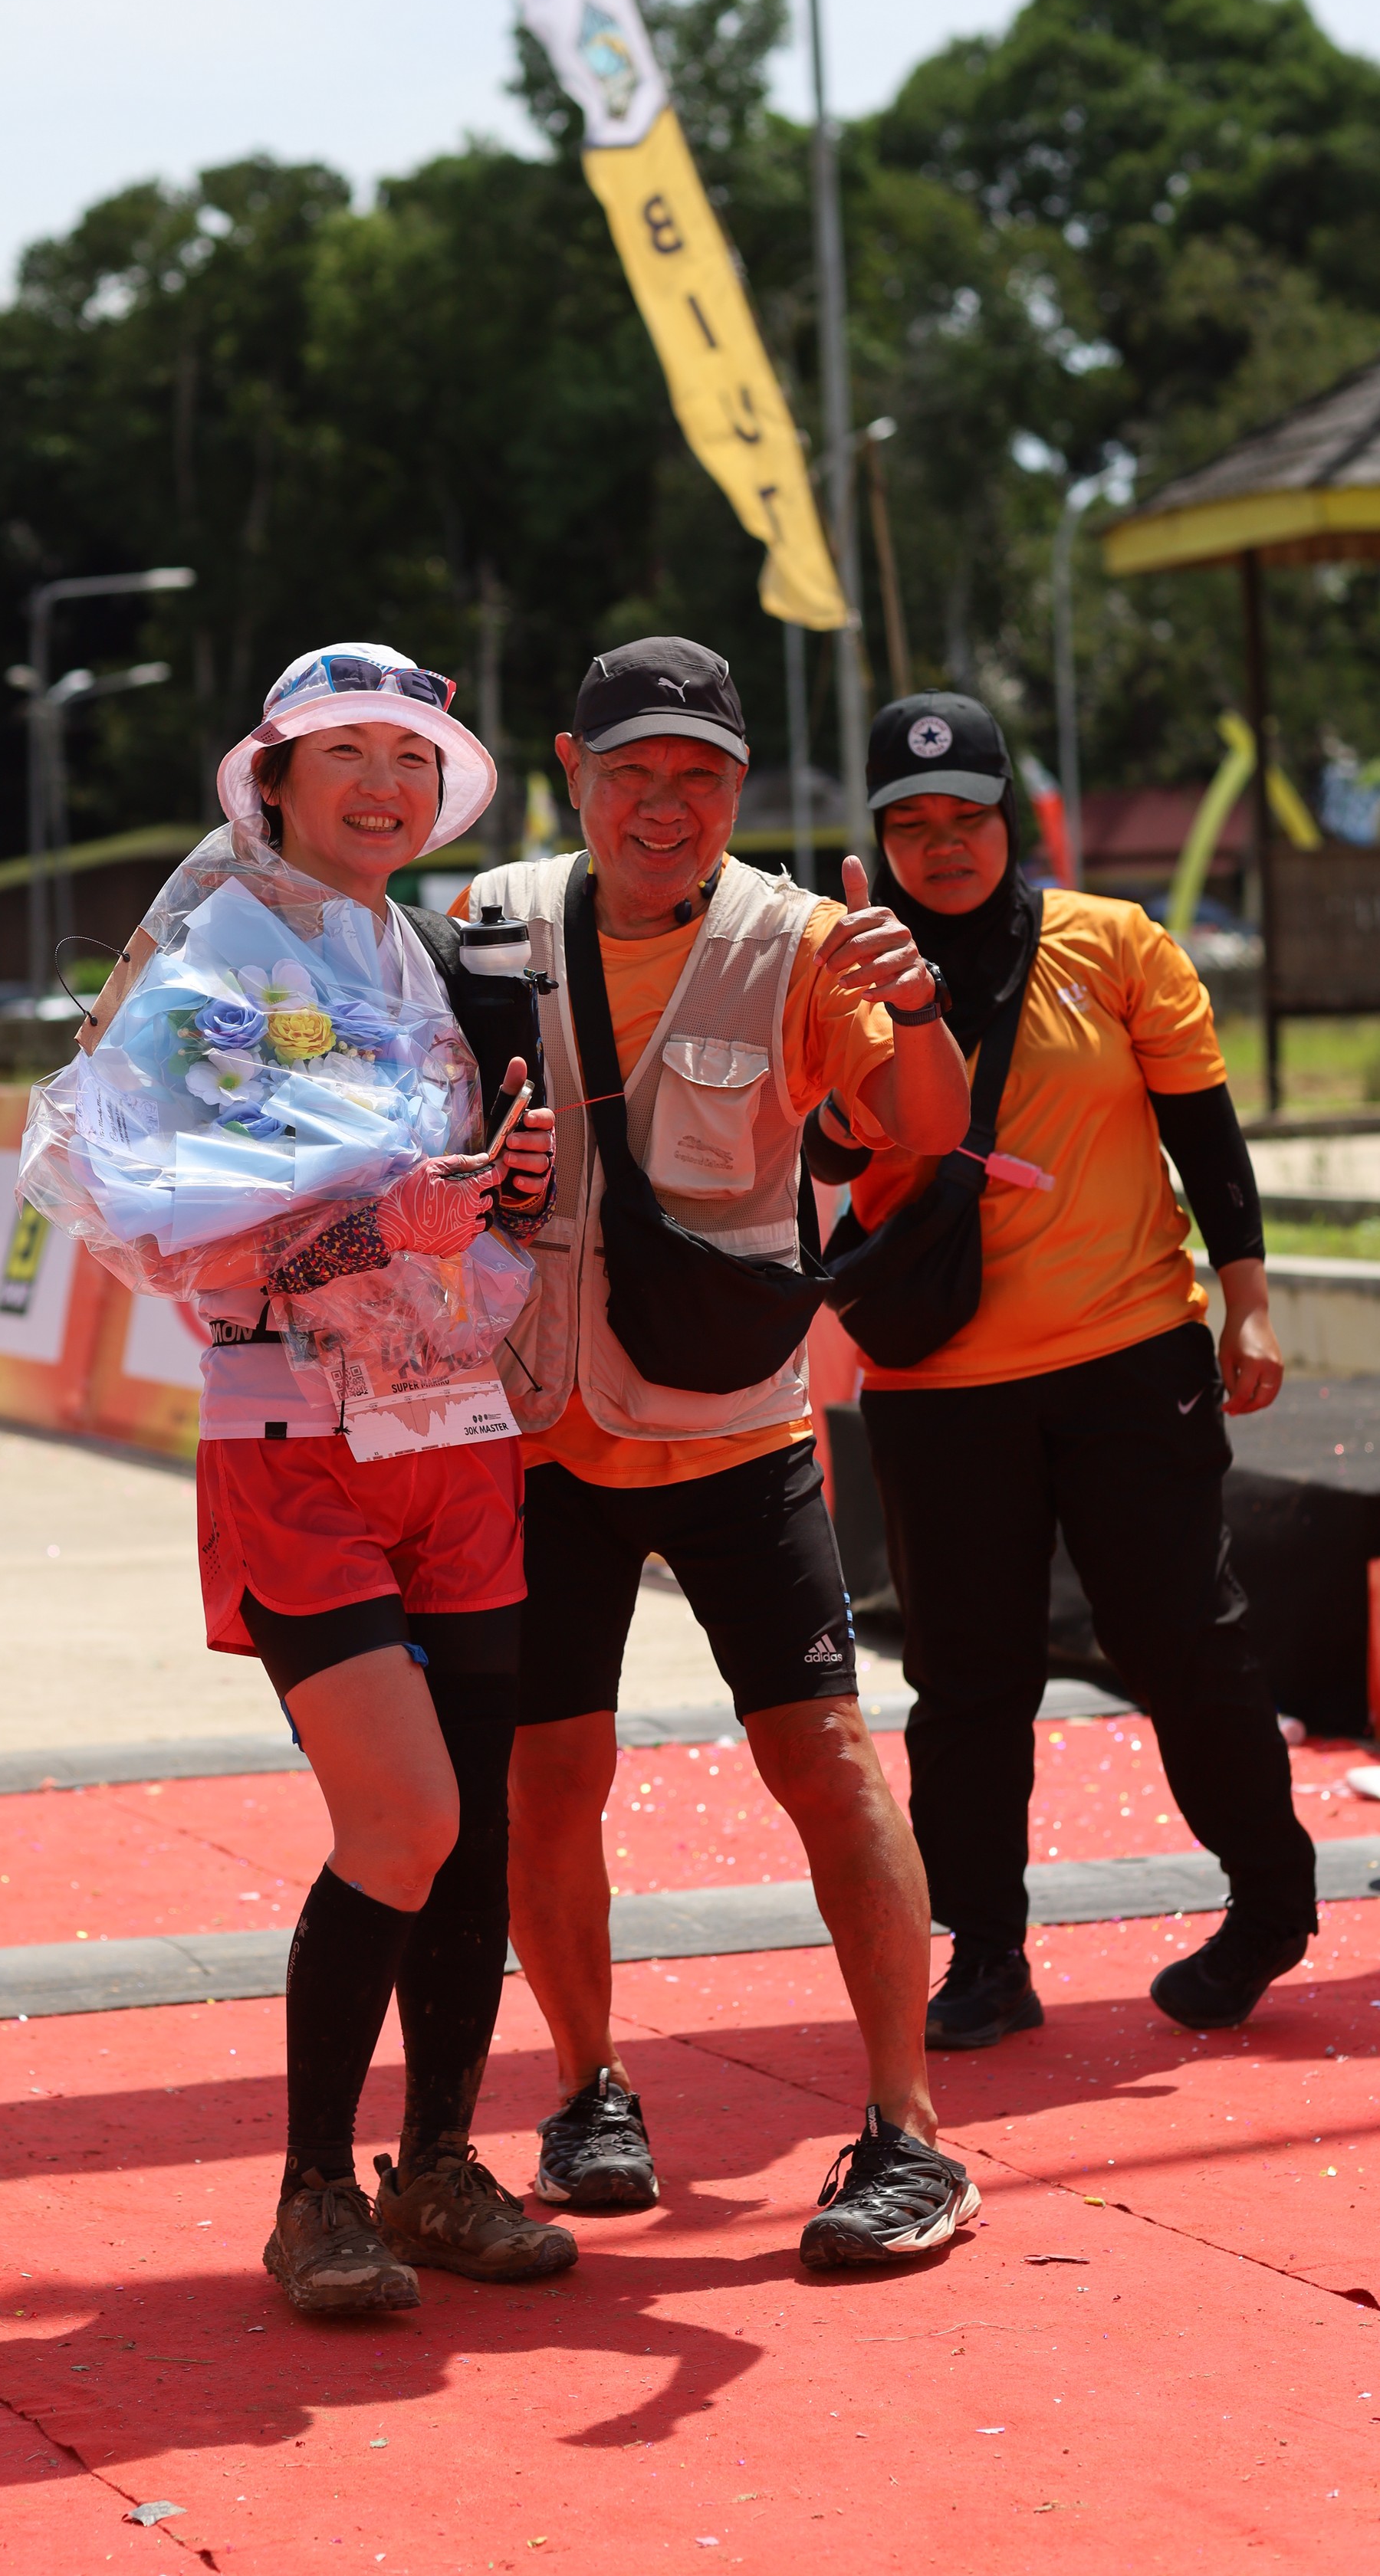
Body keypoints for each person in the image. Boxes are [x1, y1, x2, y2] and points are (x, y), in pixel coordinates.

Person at [462, 634, 984, 2269]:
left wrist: (916, 1001)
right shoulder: (489, 923)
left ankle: (910, 2131)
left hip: (736, 1423)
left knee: (825, 1759)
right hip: (541, 1427)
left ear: (741, 787)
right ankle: (587, 2093)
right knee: (552, 1775)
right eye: (634, 773)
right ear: (572, 771)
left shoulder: (807, 942)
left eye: (700, 777)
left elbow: (929, 1128)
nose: (665, 807)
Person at [80, 644, 578, 2317]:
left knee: (476, 1831)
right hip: (295, 1441)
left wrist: (493, 1188)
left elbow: (445, 1203)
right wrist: (378, 1225)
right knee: (405, 1817)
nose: (384, 784)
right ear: (272, 780)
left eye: (413, 758)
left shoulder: (422, 956)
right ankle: (311, 2196)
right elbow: (170, 1229)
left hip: (458, 1435)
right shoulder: (210, 964)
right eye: (346, 752)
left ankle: (434, 2169)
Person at [814, 690, 1316, 2046]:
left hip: (1129, 1359)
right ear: (879, 839)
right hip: (938, 1384)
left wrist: (1250, 1305)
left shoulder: (1114, 943)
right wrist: (876, 1019)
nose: (942, 846)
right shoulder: (841, 969)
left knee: (1182, 1640)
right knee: (967, 1679)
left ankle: (1273, 1904)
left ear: (1008, 820)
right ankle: (986, 1957)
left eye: (966, 817)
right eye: (911, 825)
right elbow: (824, 1154)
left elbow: (1205, 1131)